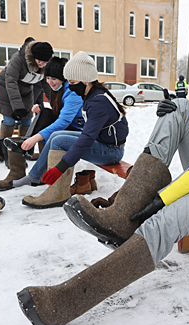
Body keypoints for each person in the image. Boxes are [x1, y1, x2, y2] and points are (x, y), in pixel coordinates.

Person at [16, 22, 189, 325]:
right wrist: (179, 111)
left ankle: (67, 300)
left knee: (167, 219)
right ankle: (123, 215)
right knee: (179, 107)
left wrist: (164, 198)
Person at [7, 51, 128, 209]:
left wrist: (60, 168)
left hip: (111, 151)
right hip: (102, 143)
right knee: (57, 135)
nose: (70, 86)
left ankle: (57, 193)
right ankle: (35, 177)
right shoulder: (91, 95)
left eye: (72, 82)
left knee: (59, 140)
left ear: (85, 80)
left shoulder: (98, 101)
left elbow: (86, 139)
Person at [0, 56, 83, 190]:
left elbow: (63, 122)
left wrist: (36, 137)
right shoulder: (58, 89)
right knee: (45, 113)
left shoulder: (73, 93)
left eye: (53, 78)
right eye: (48, 78)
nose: (50, 82)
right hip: (67, 126)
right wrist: (40, 112)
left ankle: (35, 174)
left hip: (76, 130)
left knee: (52, 132)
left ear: (63, 77)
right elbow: (57, 114)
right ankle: (23, 149)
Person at [0, 37, 53, 162]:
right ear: (33, 57)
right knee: (9, 120)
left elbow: (46, 84)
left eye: (45, 63)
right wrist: (17, 107)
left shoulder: (45, 63)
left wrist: (55, 102)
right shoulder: (18, 59)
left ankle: (24, 151)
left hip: (25, 90)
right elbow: (11, 82)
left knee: (27, 120)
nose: (42, 65)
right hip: (5, 89)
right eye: (40, 62)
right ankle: (3, 153)